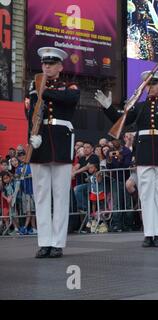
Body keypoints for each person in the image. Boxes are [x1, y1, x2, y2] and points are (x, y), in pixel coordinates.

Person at [95, 70, 158, 248]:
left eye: (154, 84)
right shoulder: (139, 107)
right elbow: (121, 120)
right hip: (144, 154)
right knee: (145, 195)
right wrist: (108, 107)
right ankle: (148, 233)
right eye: (149, 84)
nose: (151, 87)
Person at [28, 47, 80, 258]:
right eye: (44, 64)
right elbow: (29, 113)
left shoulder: (69, 86)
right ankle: (44, 242)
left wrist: (43, 91)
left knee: (60, 196)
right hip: (40, 142)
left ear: (60, 66)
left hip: (61, 142)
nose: (47, 67)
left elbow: (70, 99)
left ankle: (57, 243)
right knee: (41, 196)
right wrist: (31, 136)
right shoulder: (33, 87)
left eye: (51, 64)